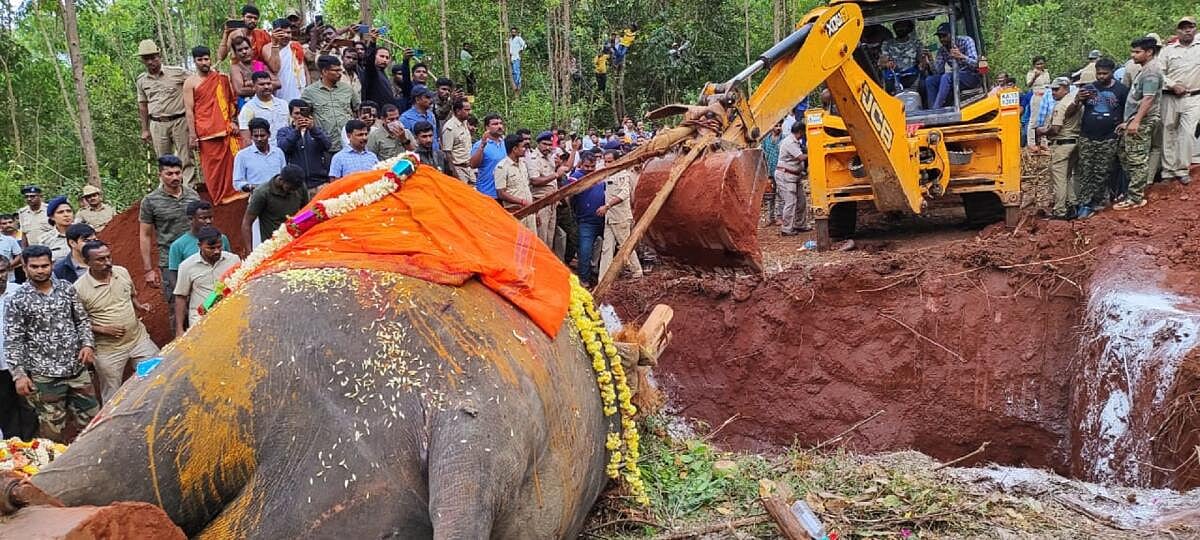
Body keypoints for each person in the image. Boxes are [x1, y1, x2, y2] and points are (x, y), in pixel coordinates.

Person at [5, 245, 96, 442]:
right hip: (45, 377)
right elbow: (13, 340)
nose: (40, 270)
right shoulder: (18, 300)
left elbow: (81, 320)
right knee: (52, 431)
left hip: (77, 370)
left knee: (92, 424)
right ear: (24, 266)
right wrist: (19, 375)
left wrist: (87, 344)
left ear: (52, 264)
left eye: (45, 266)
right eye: (35, 267)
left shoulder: (66, 288)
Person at [73, 241, 157, 403]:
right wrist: (103, 329)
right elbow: (77, 322)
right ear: (86, 262)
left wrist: (140, 306)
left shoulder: (122, 272)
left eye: (108, 257)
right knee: (113, 394)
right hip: (108, 351)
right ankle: (115, 424)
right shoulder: (79, 289)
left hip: (138, 340)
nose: (108, 263)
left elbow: (131, 295)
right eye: (100, 260)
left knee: (156, 374)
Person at [139, 155, 201, 327]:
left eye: (177, 173)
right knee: (177, 306)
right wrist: (148, 269)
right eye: (169, 174)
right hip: (170, 263)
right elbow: (144, 234)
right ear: (160, 175)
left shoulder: (193, 196)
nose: (174, 177)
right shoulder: (150, 201)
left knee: (202, 302)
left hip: (195, 256)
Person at [183, 45, 239, 205]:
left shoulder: (221, 78)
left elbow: (230, 102)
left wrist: (233, 121)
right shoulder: (190, 82)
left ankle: (234, 192)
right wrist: (192, 135)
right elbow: (189, 110)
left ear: (210, 59)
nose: (204, 62)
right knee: (212, 167)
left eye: (206, 58)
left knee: (231, 162)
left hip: (225, 128)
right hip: (205, 131)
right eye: (199, 60)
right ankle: (219, 197)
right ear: (194, 62)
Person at [1074, 57, 1128, 219]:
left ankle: (1096, 201)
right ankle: (1084, 203)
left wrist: (1124, 125)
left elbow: (1128, 111)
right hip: (1087, 136)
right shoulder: (1089, 88)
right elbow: (1072, 110)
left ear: (1112, 72)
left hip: (1109, 137)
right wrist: (1078, 99)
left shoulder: (1122, 90)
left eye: (1105, 73)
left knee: (1102, 171)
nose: (1101, 77)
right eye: (1099, 73)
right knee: (1086, 170)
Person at [136, 39, 195, 187]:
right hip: (157, 123)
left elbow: (196, 82)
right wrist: (144, 129)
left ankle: (189, 188)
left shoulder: (177, 73)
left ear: (159, 56)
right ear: (142, 60)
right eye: (146, 58)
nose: (151, 61)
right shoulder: (142, 81)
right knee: (163, 159)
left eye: (153, 57)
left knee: (185, 156)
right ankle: (166, 190)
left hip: (179, 120)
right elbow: (143, 105)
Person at [1116, 36, 1165, 210]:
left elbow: (1148, 99)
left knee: (1137, 158)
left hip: (1143, 120)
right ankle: (1133, 191)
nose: (1133, 55)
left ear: (1149, 52)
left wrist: (1136, 121)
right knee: (1124, 152)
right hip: (1135, 119)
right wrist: (1128, 121)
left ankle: (1135, 198)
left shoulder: (1151, 71)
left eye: (1137, 52)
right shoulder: (1144, 69)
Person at [173, 227, 241, 337]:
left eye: (219, 247)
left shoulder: (233, 260)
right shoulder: (186, 266)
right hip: (201, 319)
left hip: (230, 315)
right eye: (211, 248)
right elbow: (181, 297)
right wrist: (179, 329)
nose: (217, 251)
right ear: (199, 246)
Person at [1158, 16, 1200, 184]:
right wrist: (1172, 84)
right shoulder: (1168, 51)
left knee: (1188, 134)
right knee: (1168, 132)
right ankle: (1168, 171)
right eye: (1183, 27)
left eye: (1190, 27)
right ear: (1178, 31)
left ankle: (1182, 169)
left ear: (1195, 29)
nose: (1187, 30)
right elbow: (1158, 73)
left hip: (1194, 96)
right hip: (1170, 97)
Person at [0, 255, 38, 440]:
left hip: (24, 363)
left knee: (30, 407)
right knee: (5, 409)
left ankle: (34, 447)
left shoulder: (20, 292)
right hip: (0, 367)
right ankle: (14, 451)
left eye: (1, 271)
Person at [1036, 77, 1082, 219]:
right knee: (1067, 176)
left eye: (1056, 89)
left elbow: (1055, 129)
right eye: (1052, 89)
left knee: (1059, 178)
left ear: (1066, 88)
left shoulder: (1062, 105)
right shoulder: (1074, 101)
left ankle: (1060, 210)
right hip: (1074, 142)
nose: (1053, 92)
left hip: (1063, 143)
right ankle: (1072, 204)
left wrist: (1042, 131)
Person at [597, 148, 643, 281]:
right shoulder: (608, 174)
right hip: (610, 217)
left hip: (620, 217)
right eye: (605, 162)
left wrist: (607, 206)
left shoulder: (624, 175)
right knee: (607, 248)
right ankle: (603, 278)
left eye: (610, 161)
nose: (607, 164)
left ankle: (637, 271)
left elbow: (623, 194)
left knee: (624, 246)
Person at [243, 165, 310, 253]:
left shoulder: (299, 187)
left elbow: (307, 213)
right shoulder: (262, 193)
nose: (293, 192)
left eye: (295, 189)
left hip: (296, 242)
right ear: (281, 180)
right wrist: (249, 252)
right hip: (273, 246)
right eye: (290, 189)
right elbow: (247, 223)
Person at [301, 55, 359, 155]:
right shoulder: (309, 92)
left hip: (348, 143)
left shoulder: (347, 89)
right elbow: (303, 115)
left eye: (340, 70)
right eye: (335, 70)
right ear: (324, 71)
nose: (339, 74)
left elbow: (357, 109)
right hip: (324, 146)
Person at [566, 150, 604, 285]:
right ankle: (584, 279)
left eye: (592, 167)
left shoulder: (600, 175)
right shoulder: (575, 177)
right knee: (585, 251)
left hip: (604, 219)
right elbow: (569, 192)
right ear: (581, 164)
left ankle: (600, 274)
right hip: (586, 221)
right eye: (586, 166)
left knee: (606, 249)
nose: (589, 169)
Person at [277, 98, 332, 192]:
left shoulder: (316, 130)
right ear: (291, 114)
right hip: (296, 185)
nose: (300, 116)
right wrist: (296, 131)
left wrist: (313, 129)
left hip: (319, 183)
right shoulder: (284, 131)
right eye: (297, 113)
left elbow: (327, 145)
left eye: (303, 112)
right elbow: (283, 148)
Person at [923, 23, 981, 109]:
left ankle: (936, 108)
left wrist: (961, 56)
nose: (942, 39)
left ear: (952, 34)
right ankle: (932, 109)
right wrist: (930, 59)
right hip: (955, 77)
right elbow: (938, 72)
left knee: (947, 77)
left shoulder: (966, 41)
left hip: (971, 76)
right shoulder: (942, 50)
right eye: (940, 37)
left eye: (944, 35)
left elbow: (976, 64)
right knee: (930, 80)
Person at [169, 201, 231, 274]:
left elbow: (229, 263)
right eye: (203, 218)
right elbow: (174, 275)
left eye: (210, 217)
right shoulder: (178, 245)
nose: (208, 221)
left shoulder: (222, 238)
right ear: (190, 219)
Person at [527, 131, 564, 247]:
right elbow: (535, 181)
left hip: (552, 202)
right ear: (538, 144)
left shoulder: (550, 158)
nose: (547, 147)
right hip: (541, 202)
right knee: (541, 238)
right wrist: (556, 175)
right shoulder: (533, 158)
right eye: (544, 144)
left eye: (549, 144)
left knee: (549, 237)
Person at [493, 135, 536, 228]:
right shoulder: (502, 167)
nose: (525, 149)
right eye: (523, 147)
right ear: (515, 149)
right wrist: (521, 202)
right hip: (516, 212)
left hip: (529, 211)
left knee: (532, 240)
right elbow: (501, 193)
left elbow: (526, 187)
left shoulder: (523, 164)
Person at [233, 118, 286, 193]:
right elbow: (237, 183)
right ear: (251, 136)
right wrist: (252, 187)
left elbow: (284, 176)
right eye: (256, 136)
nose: (259, 139)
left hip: (278, 197)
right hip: (257, 198)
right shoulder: (242, 155)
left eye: (262, 135)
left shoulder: (278, 152)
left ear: (269, 135)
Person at [238, 71, 290, 146]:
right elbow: (246, 139)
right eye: (261, 84)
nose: (266, 87)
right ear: (254, 86)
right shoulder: (248, 108)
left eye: (268, 83)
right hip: (263, 153)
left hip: (286, 152)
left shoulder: (283, 104)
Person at [263, 18, 309, 102]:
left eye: (288, 32)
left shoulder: (295, 45)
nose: (286, 35)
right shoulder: (267, 48)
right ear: (274, 32)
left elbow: (304, 68)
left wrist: (308, 89)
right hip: (282, 95)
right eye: (282, 33)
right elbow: (275, 68)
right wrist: (275, 44)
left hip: (302, 93)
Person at [776, 121, 809, 235]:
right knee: (790, 202)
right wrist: (814, 153)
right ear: (801, 132)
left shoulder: (795, 141)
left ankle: (800, 224)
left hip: (795, 176)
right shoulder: (789, 142)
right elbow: (800, 157)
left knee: (801, 201)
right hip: (786, 175)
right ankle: (786, 229)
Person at [229, 35, 276, 107]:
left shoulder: (258, 64)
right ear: (236, 53)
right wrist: (264, 88)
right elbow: (240, 90)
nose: (244, 52)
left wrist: (250, 83)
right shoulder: (236, 67)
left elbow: (278, 83)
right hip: (246, 106)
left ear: (251, 49)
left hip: (266, 104)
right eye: (240, 50)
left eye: (246, 48)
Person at [470, 114, 507, 198]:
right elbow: (473, 165)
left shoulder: (505, 143)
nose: (499, 126)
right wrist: (482, 146)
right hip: (488, 192)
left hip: (505, 192)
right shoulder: (479, 145)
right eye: (495, 124)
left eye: (500, 123)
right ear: (487, 127)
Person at [880, 20, 922, 91]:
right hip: (893, 76)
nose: (899, 29)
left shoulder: (916, 43)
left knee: (923, 84)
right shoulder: (887, 44)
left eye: (903, 26)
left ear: (909, 28)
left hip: (912, 75)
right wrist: (887, 64)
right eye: (897, 26)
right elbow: (882, 63)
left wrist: (922, 61)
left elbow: (921, 59)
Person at [361, 31, 399, 111]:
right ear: (375, 56)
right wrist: (372, 42)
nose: (384, 60)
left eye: (387, 58)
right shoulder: (372, 72)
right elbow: (369, 61)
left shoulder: (383, 74)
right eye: (381, 56)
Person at [442, 98, 474, 183]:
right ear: (458, 111)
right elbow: (447, 153)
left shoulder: (465, 123)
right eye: (466, 110)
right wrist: (455, 174)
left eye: (469, 109)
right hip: (458, 168)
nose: (469, 112)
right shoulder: (450, 128)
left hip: (469, 167)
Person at [401, 86, 439, 151]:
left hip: (435, 156)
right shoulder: (405, 118)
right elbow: (405, 142)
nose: (431, 100)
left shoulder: (431, 115)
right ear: (417, 100)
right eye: (427, 97)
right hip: (418, 157)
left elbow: (435, 137)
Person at [1026, 56, 1052, 149]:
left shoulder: (1047, 72)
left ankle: (1044, 142)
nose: (1040, 65)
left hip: (1047, 97)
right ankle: (1031, 142)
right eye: (1038, 64)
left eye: (1041, 63)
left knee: (1047, 119)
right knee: (1034, 120)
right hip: (1037, 97)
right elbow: (1028, 84)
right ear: (1034, 65)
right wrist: (1035, 77)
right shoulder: (1031, 73)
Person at [760, 123, 784, 225]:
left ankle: (780, 217)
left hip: (780, 170)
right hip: (769, 171)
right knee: (769, 195)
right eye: (776, 126)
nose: (778, 128)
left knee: (780, 195)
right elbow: (762, 154)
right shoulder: (765, 140)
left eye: (780, 125)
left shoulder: (784, 139)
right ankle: (770, 218)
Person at [41, 197, 74, 262]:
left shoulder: (85, 233)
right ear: (52, 217)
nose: (66, 215)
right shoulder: (45, 240)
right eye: (60, 212)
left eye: (69, 211)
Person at [508, 27, 526, 93]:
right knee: (513, 72)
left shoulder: (518, 38)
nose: (513, 33)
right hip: (512, 58)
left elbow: (524, 45)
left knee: (516, 71)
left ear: (516, 32)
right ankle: (515, 84)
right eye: (512, 32)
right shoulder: (510, 40)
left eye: (514, 32)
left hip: (516, 57)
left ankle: (518, 84)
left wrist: (520, 50)